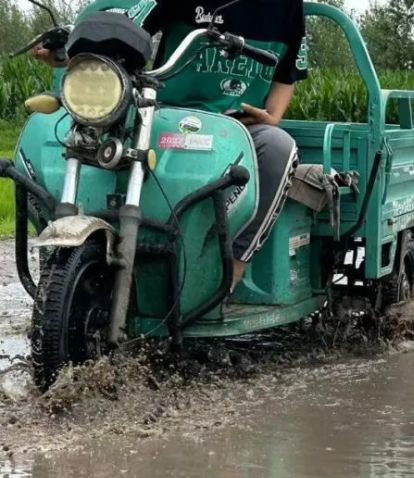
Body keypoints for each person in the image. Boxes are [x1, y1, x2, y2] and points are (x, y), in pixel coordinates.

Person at [33, 0, 309, 290]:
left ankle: (232, 270)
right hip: (165, 114)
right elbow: (125, 31)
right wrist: (67, 51)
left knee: (279, 148)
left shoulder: (287, 5)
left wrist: (273, 116)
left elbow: (287, 71)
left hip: (239, 126)